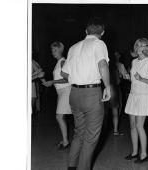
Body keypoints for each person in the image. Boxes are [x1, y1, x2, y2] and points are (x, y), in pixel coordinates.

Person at [61, 17, 111, 170]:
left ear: (86, 31)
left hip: (74, 94)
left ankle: (71, 166)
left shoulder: (74, 47)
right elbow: (102, 64)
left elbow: (64, 73)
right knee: (90, 138)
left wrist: (77, 79)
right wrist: (108, 87)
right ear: (102, 32)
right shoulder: (99, 43)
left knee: (79, 133)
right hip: (91, 93)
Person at [124, 38, 148, 163]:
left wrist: (142, 79)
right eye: (138, 45)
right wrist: (128, 77)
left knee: (139, 126)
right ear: (135, 47)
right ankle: (134, 152)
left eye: (143, 45)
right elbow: (134, 79)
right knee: (132, 125)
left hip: (144, 96)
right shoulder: (134, 61)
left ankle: (144, 154)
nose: (140, 47)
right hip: (133, 95)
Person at [43, 41, 72, 149]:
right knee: (62, 116)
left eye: (55, 50)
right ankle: (66, 140)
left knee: (59, 116)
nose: (53, 52)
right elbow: (57, 78)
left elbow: (67, 79)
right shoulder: (58, 62)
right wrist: (47, 80)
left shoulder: (63, 62)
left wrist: (52, 82)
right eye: (52, 50)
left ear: (60, 50)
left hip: (66, 91)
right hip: (60, 92)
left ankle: (66, 142)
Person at [107, 51, 128, 136]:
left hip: (104, 88)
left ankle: (106, 130)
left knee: (105, 111)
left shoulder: (105, 64)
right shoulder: (120, 65)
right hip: (115, 88)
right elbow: (125, 76)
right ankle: (115, 131)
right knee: (116, 109)